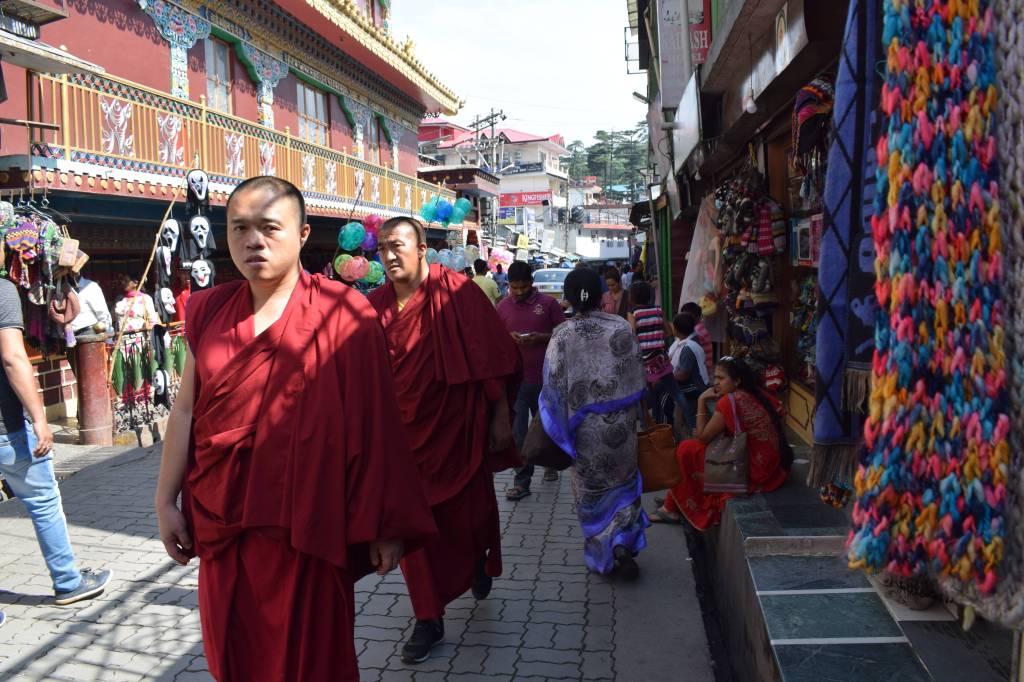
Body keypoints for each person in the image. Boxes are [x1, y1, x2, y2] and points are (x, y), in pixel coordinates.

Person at [154, 176, 436, 682]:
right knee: (235, 653)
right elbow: (185, 411)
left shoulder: (344, 312)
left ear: (303, 235)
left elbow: (377, 424)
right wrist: (164, 500)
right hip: (223, 524)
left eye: (268, 228)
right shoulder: (209, 310)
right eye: (238, 228)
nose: (252, 241)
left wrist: (386, 523)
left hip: (307, 523)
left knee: (311, 661)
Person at [368, 217, 521, 665]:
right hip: (401, 441)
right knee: (409, 526)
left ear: (421, 250)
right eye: (383, 249)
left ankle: (477, 557)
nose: (390, 256)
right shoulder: (373, 307)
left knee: (468, 514)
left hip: (456, 429)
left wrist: (500, 415)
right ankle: (428, 618)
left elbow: (490, 355)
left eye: (399, 246)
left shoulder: (455, 293)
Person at [0, 277, 112, 628]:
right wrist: (39, 418)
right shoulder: (1, 289)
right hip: (7, 429)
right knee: (44, 501)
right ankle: (67, 581)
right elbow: (13, 357)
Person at [540, 268, 648, 579]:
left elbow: (552, 384)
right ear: (601, 293)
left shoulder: (562, 334)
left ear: (569, 297)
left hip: (584, 430)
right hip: (623, 428)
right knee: (625, 485)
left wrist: (560, 427)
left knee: (591, 492)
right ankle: (623, 542)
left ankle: (603, 552)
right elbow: (637, 376)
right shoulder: (620, 327)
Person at [649, 356, 792, 528]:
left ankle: (670, 508)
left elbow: (702, 437)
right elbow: (780, 410)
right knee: (694, 448)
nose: (716, 383)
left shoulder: (729, 401)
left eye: (721, 378)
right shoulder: (755, 392)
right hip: (773, 463)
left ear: (737, 380)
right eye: (715, 378)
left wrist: (702, 400)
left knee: (686, 449)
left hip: (754, 468)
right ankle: (673, 500)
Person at [497, 260, 566, 500]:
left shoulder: (549, 305)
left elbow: (564, 335)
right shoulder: (502, 307)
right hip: (516, 380)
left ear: (531, 283)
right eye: (514, 287)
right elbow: (495, 338)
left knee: (547, 427)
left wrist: (540, 337)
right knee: (518, 432)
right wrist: (508, 338)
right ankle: (522, 480)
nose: (518, 292)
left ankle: (550, 462)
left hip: (545, 378)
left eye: (523, 287)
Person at [628, 282, 685, 424]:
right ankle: (692, 422)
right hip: (660, 359)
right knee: (676, 392)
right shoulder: (658, 310)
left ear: (632, 297)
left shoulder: (633, 313)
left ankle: (654, 427)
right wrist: (656, 337)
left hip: (644, 361)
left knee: (649, 395)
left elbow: (631, 336)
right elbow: (669, 332)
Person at [667, 312, 710, 438]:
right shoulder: (684, 343)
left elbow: (684, 374)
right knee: (680, 419)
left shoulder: (688, 348)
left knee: (689, 421)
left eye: (673, 326)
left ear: (677, 329)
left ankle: (693, 440)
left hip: (694, 389)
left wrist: (666, 376)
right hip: (689, 388)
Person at [681, 301, 713, 375]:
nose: (685, 319)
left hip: (702, 369)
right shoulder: (697, 327)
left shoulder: (697, 331)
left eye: (687, 317)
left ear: (697, 317)